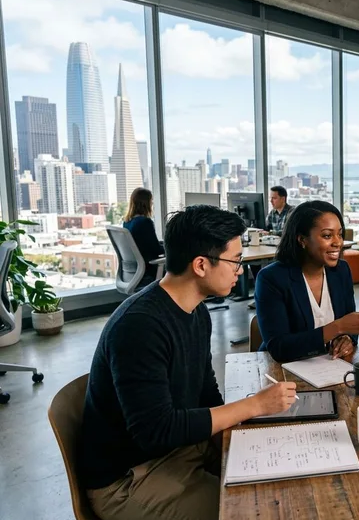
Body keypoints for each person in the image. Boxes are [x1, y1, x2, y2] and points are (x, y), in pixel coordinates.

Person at [79, 205, 298, 520]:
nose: (240, 269)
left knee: (280, 472)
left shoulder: (196, 311)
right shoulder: (140, 326)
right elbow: (155, 431)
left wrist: (239, 426)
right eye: (235, 260)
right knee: (258, 509)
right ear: (200, 265)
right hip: (131, 479)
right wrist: (253, 406)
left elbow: (204, 389)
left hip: (179, 449)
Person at [255, 201, 359, 362]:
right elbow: (279, 348)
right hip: (284, 369)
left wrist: (347, 338)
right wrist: (338, 327)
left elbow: (349, 324)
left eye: (340, 234)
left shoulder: (341, 270)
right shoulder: (271, 278)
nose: (338, 242)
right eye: (327, 235)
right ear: (302, 240)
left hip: (330, 365)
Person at [122, 187, 164, 285]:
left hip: (132, 271)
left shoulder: (127, 222)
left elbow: (144, 244)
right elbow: (156, 250)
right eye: (151, 201)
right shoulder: (145, 222)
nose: (152, 203)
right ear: (145, 203)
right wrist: (173, 248)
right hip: (147, 271)